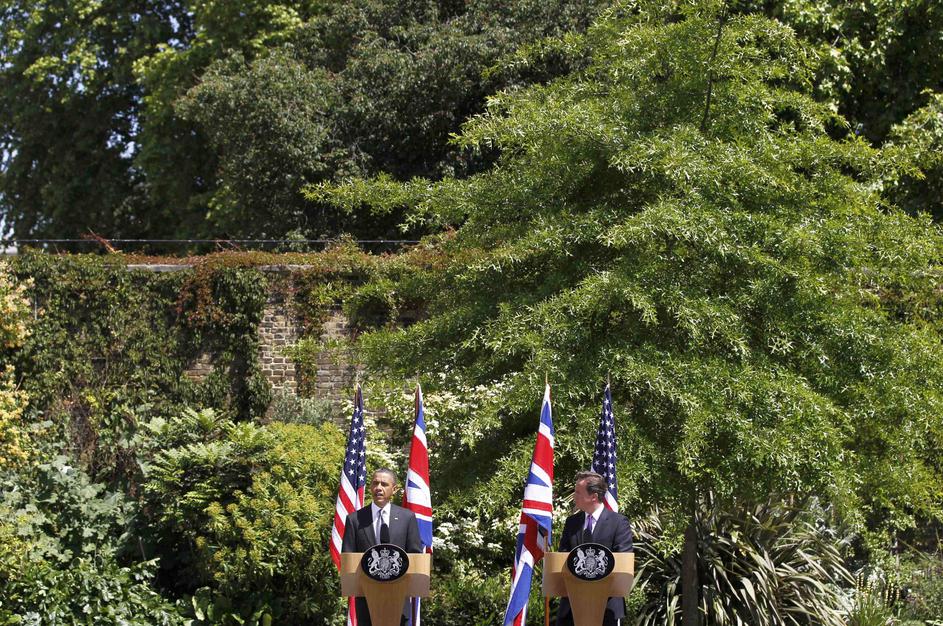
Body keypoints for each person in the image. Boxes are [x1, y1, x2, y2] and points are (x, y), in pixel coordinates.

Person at [342, 468, 421, 625]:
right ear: (370, 487)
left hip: (398, 599)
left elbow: (415, 556)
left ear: (394, 489)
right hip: (366, 601)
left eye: (384, 484)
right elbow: (348, 557)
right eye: (375, 483)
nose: (379, 488)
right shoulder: (355, 519)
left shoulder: (407, 518)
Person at [556, 471, 633, 626]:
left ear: (594, 496)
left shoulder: (618, 523)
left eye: (578, 492)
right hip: (572, 607)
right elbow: (562, 557)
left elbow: (623, 560)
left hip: (607, 608)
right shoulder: (572, 522)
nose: (574, 496)